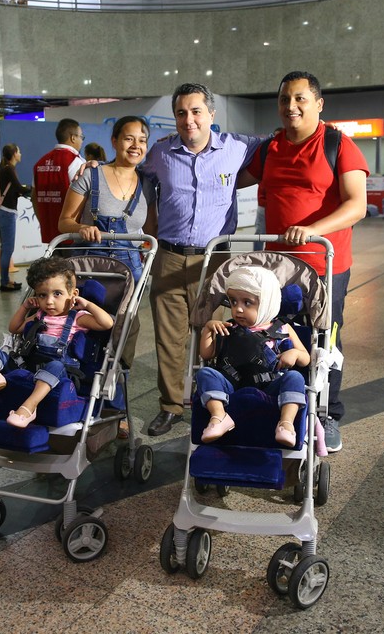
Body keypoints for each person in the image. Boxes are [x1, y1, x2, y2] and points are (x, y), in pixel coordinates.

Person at [241, 70, 369, 452]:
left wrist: (312, 229)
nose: (291, 106)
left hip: (325, 263)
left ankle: (328, 413)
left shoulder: (338, 145)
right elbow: (231, 179)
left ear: (318, 104)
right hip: (277, 266)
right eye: (284, 99)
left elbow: (357, 205)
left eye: (300, 98)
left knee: (324, 336)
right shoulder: (270, 148)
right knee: (277, 332)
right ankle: (287, 404)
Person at [140, 83, 262, 437]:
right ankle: (171, 406)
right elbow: (135, 176)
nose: (188, 119)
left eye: (196, 111)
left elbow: (278, 140)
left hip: (215, 261)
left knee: (215, 335)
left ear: (211, 114)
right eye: (181, 113)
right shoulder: (160, 153)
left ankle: (213, 402)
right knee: (169, 338)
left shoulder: (238, 146)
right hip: (170, 257)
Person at [0, 256, 113, 428]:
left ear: (73, 295)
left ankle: (28, 407)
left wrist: (87, 305)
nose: (49, 301)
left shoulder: (79, 319)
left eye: (57, 294)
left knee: (56, 366)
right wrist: (25, 307)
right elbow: (15, 327)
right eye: (42, 295)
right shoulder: (40, 316)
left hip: (60, 372)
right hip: (30, 366)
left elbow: (107, 323)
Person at [195, 266, 310, 447]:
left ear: (266, 303)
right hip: (232, 387)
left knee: (295, 377)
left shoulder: (282, 329)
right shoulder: (227, 327)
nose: (238, 309)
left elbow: (306, 358)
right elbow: (207, 354)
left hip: (270, 387)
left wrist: (295, 353)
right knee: (205, 373)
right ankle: (219, 416)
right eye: (233, 302)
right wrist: (209, 329)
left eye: (247, 303)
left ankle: (286, 424)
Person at [59, 116, 156, 286]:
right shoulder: (90, 175)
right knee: (87, 313)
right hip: (88, 269)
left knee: (127, 313)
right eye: (128, 139)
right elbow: (64, 222)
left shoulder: (147, 185)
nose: (136, 146)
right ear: (114, 141)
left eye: (142, 141)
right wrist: (82, 228)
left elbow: (152, 231)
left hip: (130, 273)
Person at [33, 118, 85, 244]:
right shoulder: (76, 162)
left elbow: (34, 197)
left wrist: (44, 221)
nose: (82, 141)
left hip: (49, 233)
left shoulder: (39, 163)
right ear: (73, 138)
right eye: (81, 137)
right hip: (72, 235)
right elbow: (83, 198)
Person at [0, 143, 32, 292]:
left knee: (6, 248)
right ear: (14, 153)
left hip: (1, 212)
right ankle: (5, 282)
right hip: (7, 213)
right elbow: (18, 188)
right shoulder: (9, 169)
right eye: (19, 151)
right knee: (8, 249)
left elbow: (12, 190)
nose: (21, 154)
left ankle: (6, 280)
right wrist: (32, 189)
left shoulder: (3, 169)